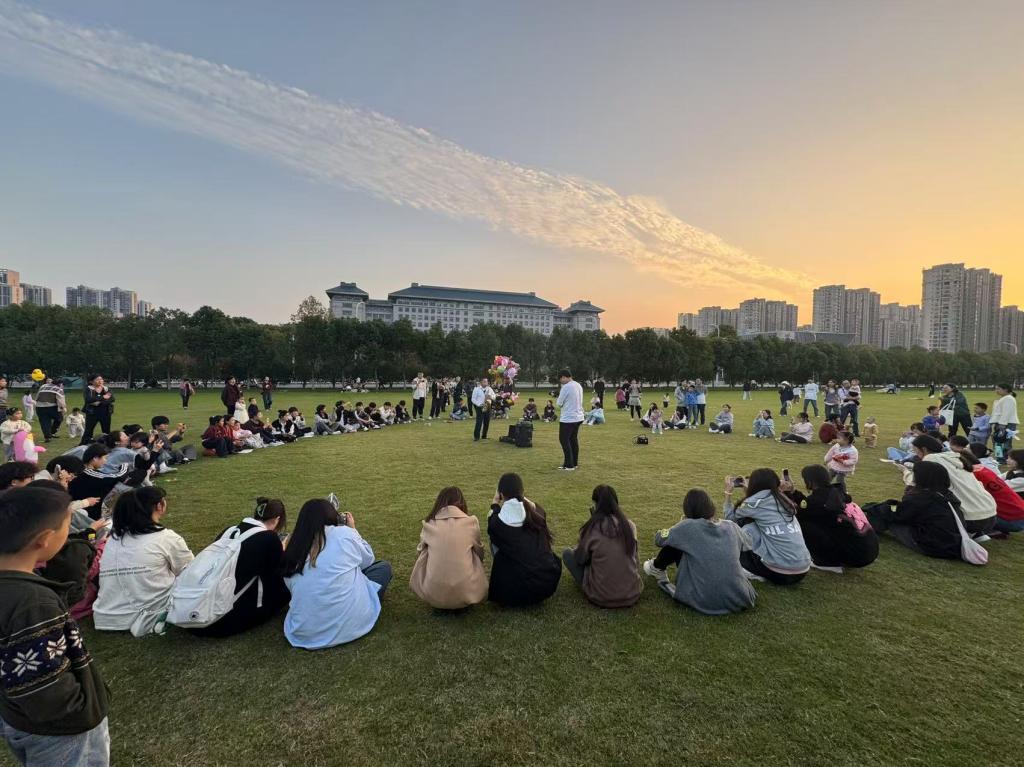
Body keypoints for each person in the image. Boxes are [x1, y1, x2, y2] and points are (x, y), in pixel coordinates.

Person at [0, 485, 111, 767]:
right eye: (66, 527)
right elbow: (45, 688)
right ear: (45, 539)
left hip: (19, 717)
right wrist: (83, 708)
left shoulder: (17, 589)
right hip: (62, 732)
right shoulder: (32, 602)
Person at [280, 498, 392, 649]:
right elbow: (368, 560)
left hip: (305, 633)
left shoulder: (293, 545)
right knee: (383, 568)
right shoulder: (344, 534)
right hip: (353, 625)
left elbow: (290, 583)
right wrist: (353, 530)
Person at [93, 487, 194, 635]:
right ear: (159, 506)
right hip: (146, 616)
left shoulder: (112, 541)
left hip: (106, 617)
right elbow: (190, 574)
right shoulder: (166, 537)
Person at [643, 489, 756, 615]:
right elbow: (748, 544)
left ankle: (656, 567)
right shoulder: (731, 526)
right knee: (682, 541)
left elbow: (659, 539)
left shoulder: (687, 526)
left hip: (704, 600)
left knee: (676, 542)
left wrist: (680, 525)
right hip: (741, 597)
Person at [189, 498, 292, 638]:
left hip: (201, 605)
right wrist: (282, 551)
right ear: (277, 519)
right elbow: (278, 576)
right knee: (289, 587)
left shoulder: (229, 530)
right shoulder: (269, 538)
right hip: (224, 618)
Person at [783, 465, 878, 571]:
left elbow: (800, 513)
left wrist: (786, 493)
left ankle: (827, 562)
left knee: (802, 524)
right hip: (869, 550)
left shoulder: (819, 501)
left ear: (809, 481)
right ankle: (836, 556)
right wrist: (793, 492)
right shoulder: (836, 492)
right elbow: (807, 505)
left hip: (856, 557)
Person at [724, 469, 811, 585]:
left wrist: (728, 493)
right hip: (802, 570)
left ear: (754, 484)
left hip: (780, 573)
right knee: (759, 526)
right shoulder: (784, 500)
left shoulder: (754, 503)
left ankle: (753, 571)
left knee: (748, 527)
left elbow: (730, 519)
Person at [899, 435, 996, 538]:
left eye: (916, 451)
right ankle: (975, 533)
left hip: (970, 518)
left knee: (922, 497)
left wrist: (905, 472)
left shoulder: (930, 459)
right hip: (991, 512)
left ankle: (963, 533)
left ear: (924, 449)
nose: (917, 455)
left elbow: (916, 482)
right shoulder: (955, 457)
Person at [486, 473, 561, 606]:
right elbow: (534, 507)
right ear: (522, 492)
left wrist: (495, 501)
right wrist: (519, 495)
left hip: (516, 593)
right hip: (547, 585)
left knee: (495, 543)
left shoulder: (497, 523)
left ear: (501, 494)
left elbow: (493, 517)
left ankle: (506, 578)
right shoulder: (538, 514)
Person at [562, 485, 642, 608]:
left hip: (600, 597)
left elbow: (580, 559)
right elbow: (635, 559)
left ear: (595, 505)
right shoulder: (630, 526)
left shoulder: (592, 528)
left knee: (567, 554)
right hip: (632, 594)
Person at [864, 462, 965, 559]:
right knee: (886, 509)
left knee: (884, 514)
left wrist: (874, 507)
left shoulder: (923, 498)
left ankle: (864, 532)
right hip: (952, 544)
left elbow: (898, 514)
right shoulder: (947, 496)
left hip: (932, 546)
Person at [408, 487, 488, 610]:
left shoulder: (429, 524)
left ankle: (436, 583)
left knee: (425, 550)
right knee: (474, 549)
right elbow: (479, 552)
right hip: (467, 593)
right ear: (461, 502)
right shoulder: (471, 522)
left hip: (433, 595)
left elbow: (419, 552)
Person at [959, 449, 1024, 537]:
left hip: (1016, 519)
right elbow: (997, 478)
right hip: (1016, 513)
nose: (1007, 460)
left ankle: (986, 530)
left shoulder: (1021, 479)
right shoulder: (1010, 472)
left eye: (1011, 458)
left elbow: (1003, 485)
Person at [556, 369, 584, 471]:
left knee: (564, 440)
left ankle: (569, 465)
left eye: (561, 379)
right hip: (578, 416)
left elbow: (559, 403)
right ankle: (574, 463)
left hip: (568, 418)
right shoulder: (578, 385)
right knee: (573, 440)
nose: (561, 382)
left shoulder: (566, 387)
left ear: (564, 377)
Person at [80, 375, 115, 445]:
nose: (100, 381)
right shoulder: (88, 389)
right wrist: (103, 397)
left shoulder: (106, 389)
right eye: (97, 379)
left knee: (106, 430)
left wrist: (99, 402)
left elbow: (112, 399)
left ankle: (108, 445)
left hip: (105, 412)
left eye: (101, 379)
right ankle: (84, 444)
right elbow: (88, 400)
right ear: (91, 381)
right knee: (88, 430)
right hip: (92, 413)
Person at [991, 383, 1018, 465]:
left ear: (1005, 389)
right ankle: (1000, 459)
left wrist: (1002, 424)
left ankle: (1005, 459)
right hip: (1002, 423)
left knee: (1005, 442)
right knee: (998, 441)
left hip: (1006, 424)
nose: (996, 390)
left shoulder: (1008, 398)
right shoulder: (1004, 398)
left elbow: (1006, 412)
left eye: (998, 389)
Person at [33, 377, 66, 443]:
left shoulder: (43, 386)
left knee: (44, 422)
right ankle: (52, 432)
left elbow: (37, 395)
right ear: (60, 384)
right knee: (59, 418)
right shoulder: (58, 389)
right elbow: (60, 400)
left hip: (39, 407)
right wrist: (63, 408)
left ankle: (47, 437)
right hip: (51, 407)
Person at [471, 377, 495, 442]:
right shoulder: (476, 389)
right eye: (484, 381)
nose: (485, 383)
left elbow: (494, 396)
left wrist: (491, 397)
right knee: (479, 422)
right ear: (481, 382)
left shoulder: (489, 389)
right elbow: (473, 399)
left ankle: (484, 436)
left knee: (487, 421)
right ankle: (476, 436)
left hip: (488, 406)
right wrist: (479, 404)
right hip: (479, 407)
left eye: (486, 381)